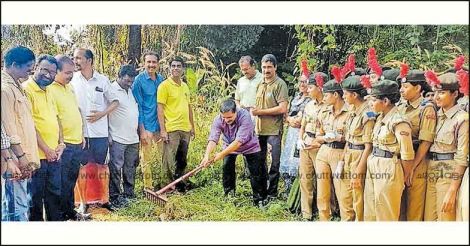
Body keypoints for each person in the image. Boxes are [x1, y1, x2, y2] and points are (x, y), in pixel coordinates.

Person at [71, 48, 119, 213]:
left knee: (103, 166)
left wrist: (101, 114)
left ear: (89, 60)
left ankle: (105, 200)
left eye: (78, 58)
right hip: (80, 133)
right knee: (82, 167)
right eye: (74, 58)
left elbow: (115, 102)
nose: (75, 61)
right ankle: (83, 203)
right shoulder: (72, 81)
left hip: (100, 133)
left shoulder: (103, 80)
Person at [200, 99, 268, 206]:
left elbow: (238, 142)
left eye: (229, 117)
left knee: (256, 171)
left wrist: (220, 154)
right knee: (227, 168)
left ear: (236, 111)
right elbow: (213, 138)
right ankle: (229, 195)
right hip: (229, 144)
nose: (226, 120)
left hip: (249, 145)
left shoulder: (245, 116)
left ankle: (259, 199)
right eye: (224, 117)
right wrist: (207, 155)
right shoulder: (218, 120)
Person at [364, 79, 415, 221]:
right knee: (371, 209)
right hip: (374, 162)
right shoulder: (381, 117)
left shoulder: (399, 121)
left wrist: (402, 177)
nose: (370, 104)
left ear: (385, 101)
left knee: (386, 213)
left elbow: (407, 155)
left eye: (374, 100)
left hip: (389, 166)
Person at [23, 54, 65, 221]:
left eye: (53, 72)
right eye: (45, 70)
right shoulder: (26, 90)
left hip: (54, 156)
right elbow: (29, 126)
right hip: (37, 157)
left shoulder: (49, 90)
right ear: (36, 68)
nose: (49, 75)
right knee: (35, 199)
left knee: (54, 195)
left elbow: (57, 118)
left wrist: (61, 143)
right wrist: (47, 150)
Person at [1, 45, 40, 221]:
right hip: (14, 159)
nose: (30, 73)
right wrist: (20, 157)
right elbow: (9, 129)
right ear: (15, 65)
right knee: (16, 207)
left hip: (22, 156)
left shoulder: (18, 86)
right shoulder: (4, 89)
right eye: (28, 68)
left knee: (22, 203)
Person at [424, 72, 468, 221]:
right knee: (429, 218)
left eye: (441, 93)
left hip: (449, 171)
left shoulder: (462, 119)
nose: (436, 97)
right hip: (432, 169)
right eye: (435, 92)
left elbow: (462, 157)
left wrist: (452, 189)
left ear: (455, 93)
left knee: (445, 218)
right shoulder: (436, 115)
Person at [49, 55, 88, 221]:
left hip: (77, 142)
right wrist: (61, 142)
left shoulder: (70, 87)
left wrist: (82, 135)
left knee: (72, 180)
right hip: (65, 145)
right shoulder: (50, 89)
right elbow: (55, 118)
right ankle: (60, 215)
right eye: (67, 73)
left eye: (72, 72)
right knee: (62, 182)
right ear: (56, 71)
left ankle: (70, 211)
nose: (70, 76)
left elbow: (76, 110)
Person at [397, 68, 437, 221]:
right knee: (399, 205)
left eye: (406, 87)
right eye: (401, 86)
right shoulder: (400, 107)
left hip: (417, 161)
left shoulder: (426, 109)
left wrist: (412, 167)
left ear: (418, 88)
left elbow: (426, 142)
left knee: (414, 207)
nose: (401, 90)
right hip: (401, 160)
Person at [314, 72, 351, 221]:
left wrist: (339, 137)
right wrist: (324, 137)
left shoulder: (349, 113)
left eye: (327, 95)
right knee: (322, 193)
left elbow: (352, 139)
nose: (323, 98)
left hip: (340, 152)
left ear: (336, 94)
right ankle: (324, 221)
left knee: (343, 193)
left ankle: (346, 220)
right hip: (324, 151)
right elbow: (318, 134)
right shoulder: (324, 112)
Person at [252, 54, 289, 199]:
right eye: (264, 67)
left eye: (269, 67)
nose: (266, 70)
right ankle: (261, 193)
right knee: (260, 163)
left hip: (273, 130)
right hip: (259, 130)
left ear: (275, 67)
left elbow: (283, 108)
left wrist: (260, 112)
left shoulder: (280, 84)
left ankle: (272, 194)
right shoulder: (260, 84)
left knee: (274, 164)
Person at [157, 56, 195, 192]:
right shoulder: (164, 86)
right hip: (172, 128)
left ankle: (179, 184)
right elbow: (160, 108)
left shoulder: (185, 86)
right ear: (169, 68)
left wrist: (192, 126)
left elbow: (189, 107)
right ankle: (165, 187)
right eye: (173, 66)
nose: (176, 68)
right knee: (168, 159)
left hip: (185, 128)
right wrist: (163, 130)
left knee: (182, 159)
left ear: (183, 68)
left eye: (178, 66)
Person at [341, 75, 375, 221]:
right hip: (349, 153)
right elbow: (348, 139)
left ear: (354, 95)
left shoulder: (368, 114)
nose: (343, 96)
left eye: (345, 93)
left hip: (359, 156)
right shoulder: (352, 110)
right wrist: (342, 160)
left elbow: (368, 146)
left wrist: (359, 171)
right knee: (346, 197)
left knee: (358, 198)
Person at [298, 72, 329, 220]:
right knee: (305, 178)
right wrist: (300, 139)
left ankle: (329, 211)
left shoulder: (329, 105)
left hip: (320, 146)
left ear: (320, 87)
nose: (307, 90)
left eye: (310, 87)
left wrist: (317, 142)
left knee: (323, 180)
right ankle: (306, 213)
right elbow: (303, 125)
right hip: (306, 143)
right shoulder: (309, 105)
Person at [108, 65, 140, 208]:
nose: (129, 83)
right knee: (116, 169)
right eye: (127, 81)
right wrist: (108, 134)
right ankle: (114, 197)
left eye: (131, 81)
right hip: (117, 138)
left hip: (133, 138)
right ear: (119, 77)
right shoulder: (110, 90)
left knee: (130, 167)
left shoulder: (130, 91)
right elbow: (105, 114)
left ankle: (129, 194)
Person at [132, 51, 164, 190]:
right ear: (143, 63)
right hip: (147, 125)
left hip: (160, 125)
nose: (151, 65)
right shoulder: (138, 81)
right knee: (146, 159)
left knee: (164, 157)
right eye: (148, 62)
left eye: (154, 62)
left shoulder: (161, 80)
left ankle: (165, 185)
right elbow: (137, 106)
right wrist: (142, 130)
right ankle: (148, 188)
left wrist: (164, 127)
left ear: (158, 63)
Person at [279, 73, 311, 195]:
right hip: (291, 132)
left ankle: (297, 193)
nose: (302, 84)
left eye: (305, 81)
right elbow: (287, 114)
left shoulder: (311, 100)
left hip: (301, 132)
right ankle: (287, 190)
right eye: (300, 81)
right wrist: (289, 119)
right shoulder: (296, 97)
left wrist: (295, 121)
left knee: (298, 161)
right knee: (288, 159)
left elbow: (303, 119)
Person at [235, 55, 263, 178]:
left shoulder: (262, 79)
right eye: (242, 69)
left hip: (257, 114)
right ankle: (247, 172)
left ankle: (259, 172)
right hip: (243, 114)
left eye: (246, 69)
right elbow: (237, 99)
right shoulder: (241, 81)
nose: (244, 72)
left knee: (257, 143)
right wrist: (239, 110)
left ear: (253, 66)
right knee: (244, 142)